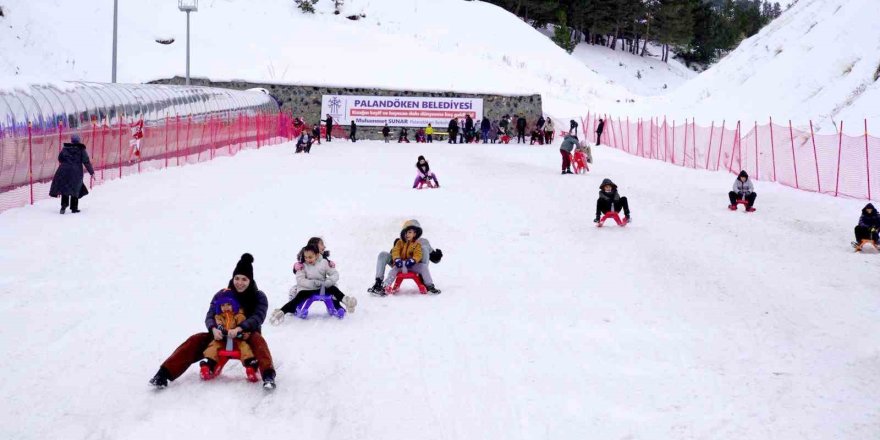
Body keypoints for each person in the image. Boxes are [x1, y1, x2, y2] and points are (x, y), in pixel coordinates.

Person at [149, 253, 276, 389]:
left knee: (259, 343)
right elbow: (210, 315)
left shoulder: (258, 296)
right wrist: (213, 329)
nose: (239, 283)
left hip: (246, 336)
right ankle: (163, 374)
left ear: (250, 280)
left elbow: (258, 317)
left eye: (244, 279)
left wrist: (240, 328)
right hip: (220, 335)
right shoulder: (222, 294)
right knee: (195, 340)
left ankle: (268, 376)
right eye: (237, 278)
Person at [270, 244, 357, 324]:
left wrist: (328, 281)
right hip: (308, 289)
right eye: (306, 257)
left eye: (310, 257)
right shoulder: (302, 266)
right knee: (299, 296)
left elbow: (335, 274)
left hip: (322, 288)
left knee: (333, 289)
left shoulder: (323, 263)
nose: (308, 259)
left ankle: (347, 301)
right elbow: (300, 280)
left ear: (317, 255)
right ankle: (281, 312)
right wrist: (313, 283)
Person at [368, 220, 442, 295]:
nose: (407, 234)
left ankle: (428, 284)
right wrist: (396, 259)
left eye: (410, 232)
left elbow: (420, 254)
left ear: (415, 233)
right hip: (399, 265)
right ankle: (380, 284)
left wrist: (436, 256)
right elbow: (395, 251)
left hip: (414, 265)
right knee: (383, 255)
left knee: (423, 252)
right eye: (406, 232)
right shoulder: (399, 242)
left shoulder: (420, 243)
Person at [199, 291, 256, 378]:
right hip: (224, 340)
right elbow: (219, 325)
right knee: (213, 345)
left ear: (234, 304)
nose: (225, 307)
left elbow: (244, 326)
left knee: (245, 347)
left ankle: (250, 365)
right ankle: (209, 364)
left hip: (237, 340)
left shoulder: (239, 315)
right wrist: (220, 331)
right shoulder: (219, 316)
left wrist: (241, 333)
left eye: (228, 304)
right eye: (222, 305)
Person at [49, 134, 95, 214]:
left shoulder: (65, 149)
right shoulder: (81, 150)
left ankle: (63, 206)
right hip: (76, 172)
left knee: (65, 188)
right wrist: (92, 172)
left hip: (64, 171)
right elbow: (86, 162)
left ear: (71, 140)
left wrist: (66, 162)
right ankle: (74, 208)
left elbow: (60, 158)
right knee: (75, 189)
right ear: (78, 141)